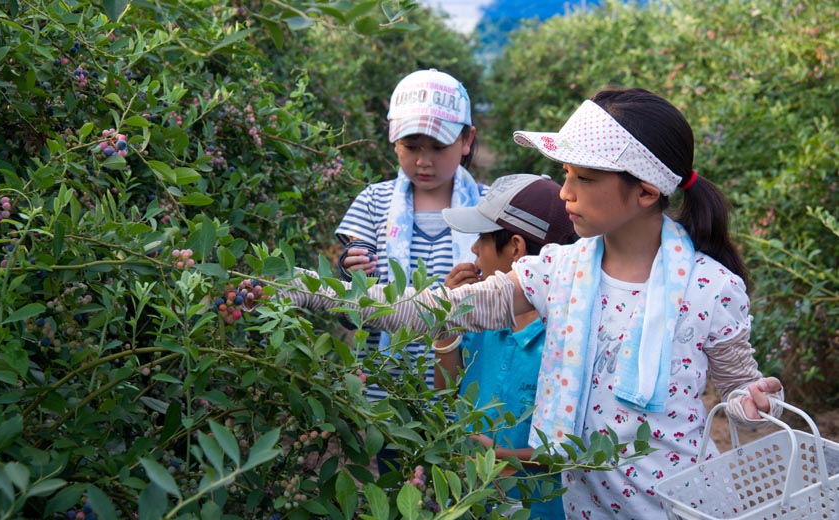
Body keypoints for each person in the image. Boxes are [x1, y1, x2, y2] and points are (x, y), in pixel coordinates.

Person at [281, 87, 785, 518]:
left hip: (681, 506)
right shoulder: (557, 273)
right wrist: (307, 288)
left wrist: (755, 400)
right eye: (565, 173)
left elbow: (740, 390)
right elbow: (426, 308)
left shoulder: (710, 289)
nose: (565, 192)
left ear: (646, 192)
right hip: (579, 506)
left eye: (583, 178)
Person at [333, 68, 488, 406]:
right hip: (388, 394)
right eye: (411, 146)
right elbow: (348, 314)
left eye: (437, 146)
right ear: (394, 142)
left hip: (466, 394)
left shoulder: (489, 210)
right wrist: (352, 274)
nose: (423, 160)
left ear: (467, 141)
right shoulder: (374, 204)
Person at [434, 174, 576, 519]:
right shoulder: (483, 316)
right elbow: (446, 390)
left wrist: (499, 455)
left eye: (483, 238)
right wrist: (448, 321)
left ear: (515, 248)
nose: (474, 250)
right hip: (473, 498)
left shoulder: (565, 336)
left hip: (540, 506)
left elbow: (579, 448)